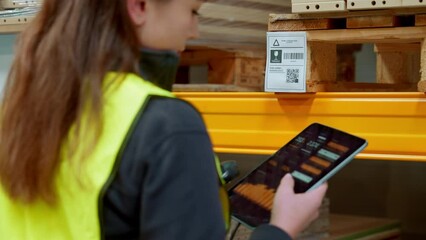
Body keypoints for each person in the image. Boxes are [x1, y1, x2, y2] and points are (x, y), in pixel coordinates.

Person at [0, 0, 327, 239]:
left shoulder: (23, 110)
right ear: (139, 6)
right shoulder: (167, 125)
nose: (195, 30)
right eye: (193, 11)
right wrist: (282, 228)